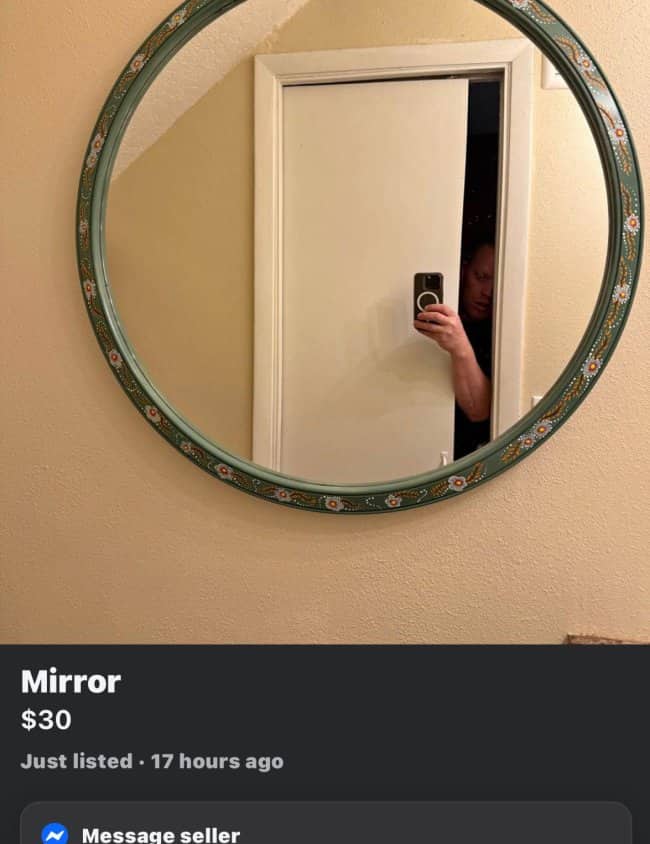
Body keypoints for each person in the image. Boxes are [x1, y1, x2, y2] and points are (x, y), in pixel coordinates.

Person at [414, 240, 495, 460]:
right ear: (463, 271)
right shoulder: (447, 311)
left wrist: (460, 347)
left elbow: (479, 411)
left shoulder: (500, 333)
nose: (488, 292)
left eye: (496, 282)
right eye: (481, 277)